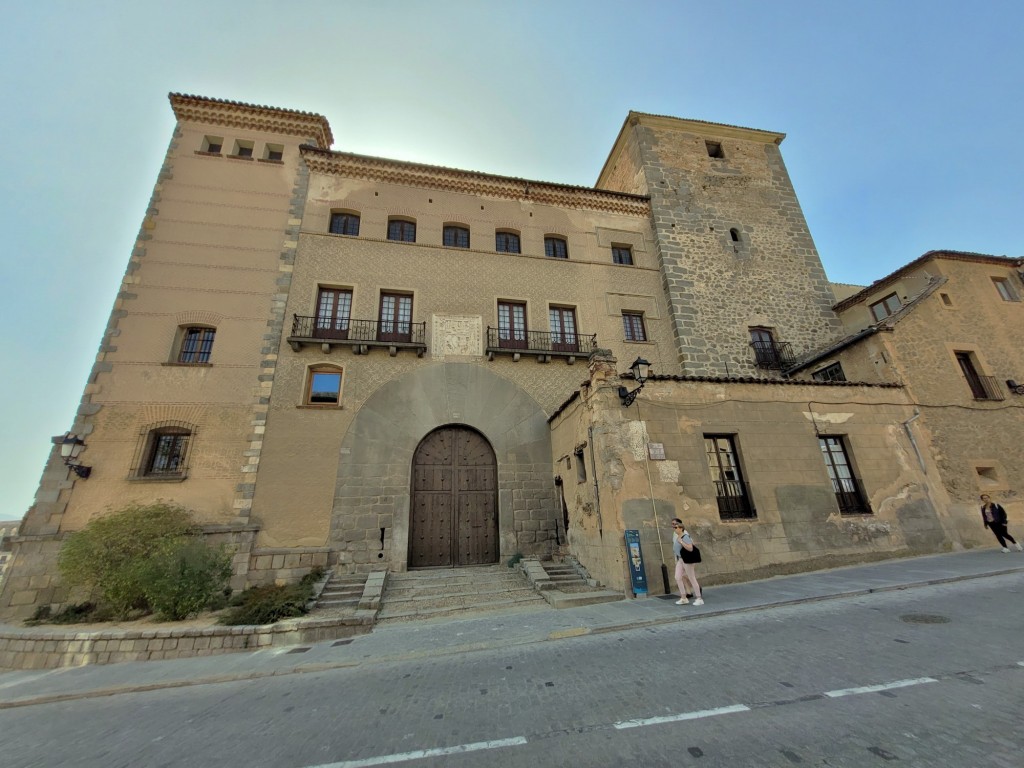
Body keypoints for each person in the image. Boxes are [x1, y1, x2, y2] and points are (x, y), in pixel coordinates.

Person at [670, 518, 703, 606]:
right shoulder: (677, 536)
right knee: (677, 577)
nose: (674, 528)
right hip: (680, 559)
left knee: (691, 577)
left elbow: (690, 548)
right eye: (673, 526)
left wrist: (681, 542)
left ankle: (699, 598)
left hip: (687, 560)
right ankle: (683, 597)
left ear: (681, 528)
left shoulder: (685, 536)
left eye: (676, 527)